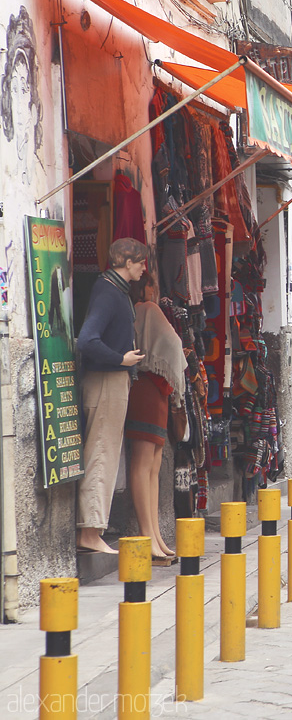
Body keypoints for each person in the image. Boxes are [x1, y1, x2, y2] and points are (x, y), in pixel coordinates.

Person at [77, 237, 148, 554]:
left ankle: (93, 530)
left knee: (105, 453)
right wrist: (121, 359)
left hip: (112, 381)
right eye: (141, 262)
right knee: (101, 455)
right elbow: (87, 340)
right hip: (106, 381)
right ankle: (90, 533)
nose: (144, 269)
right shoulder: (108, 291)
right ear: (127, 263)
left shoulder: (115, 289)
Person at [124, 273, 184, 561]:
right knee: (147, 463)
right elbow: (172, 343)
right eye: (152, 286)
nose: (155, 291)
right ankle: (149, 535)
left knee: (149, 463)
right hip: (151, 390)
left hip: (145, 387)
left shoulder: (131, 311)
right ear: (145, 287)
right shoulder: (147, 309)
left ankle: (154, 534)